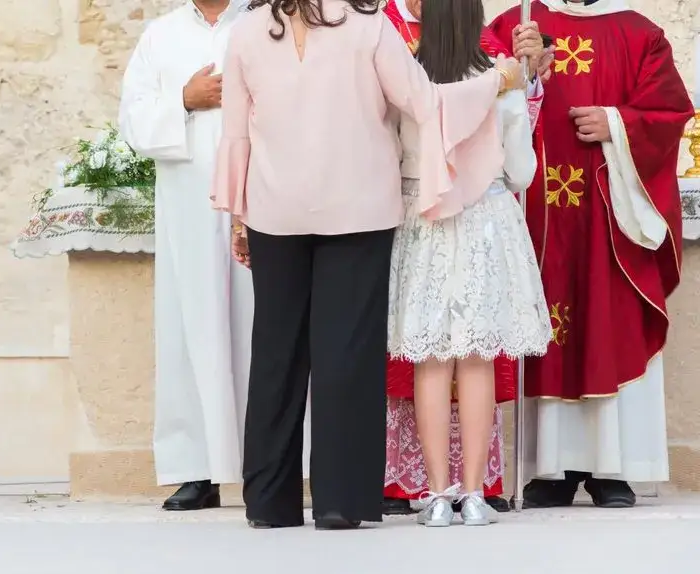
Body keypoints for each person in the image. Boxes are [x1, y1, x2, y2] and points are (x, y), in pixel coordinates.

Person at [212, 0, 522, 530]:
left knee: (274, 356)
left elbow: (237, 132)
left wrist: (239, 218)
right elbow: (426, 104)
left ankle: (268, 501)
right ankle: (341, 502)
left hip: (273, 208)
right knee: (346, 359)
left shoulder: (244, 32)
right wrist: (497, 79)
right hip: (358, 209)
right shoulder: (370, 26)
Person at [489, 0, 694, 508]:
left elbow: (668, 113)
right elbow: (475, 96)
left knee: (607, 317)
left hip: (609, 214)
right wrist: (526, 74)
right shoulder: (519, 23)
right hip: (539, 211)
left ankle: (611, 467)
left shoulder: (638, 32)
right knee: (548, 324)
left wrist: (617, 123)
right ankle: (549, 469)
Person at [382, 0, 552, 516]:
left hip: (424, 219)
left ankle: (435, 497)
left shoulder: (408, 86)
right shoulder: (501, 85)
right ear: (477, 23)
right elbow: (522, 172)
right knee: (477, 360)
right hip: (485, 224)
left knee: (431, 360)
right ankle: (474, 495)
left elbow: (388, 158)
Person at [118, 0, 258, 512]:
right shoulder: (161, 35)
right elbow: (132, 119)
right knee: (191, 326)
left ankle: (273, 463)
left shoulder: (265, 20)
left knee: (261, 323)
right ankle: (197, 469)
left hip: (260, 192)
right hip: (188, 202)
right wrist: (183, 98)